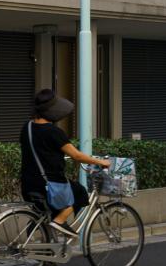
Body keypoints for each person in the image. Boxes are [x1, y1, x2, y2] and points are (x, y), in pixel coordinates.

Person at [20, 89, 111, 239]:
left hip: (28, 183)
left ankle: (48, 254)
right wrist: (101, 162)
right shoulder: (53, 132)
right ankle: (60, 221)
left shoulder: (27, 128)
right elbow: (76, 155)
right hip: (49, 185)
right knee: (79, 192)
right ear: (53, 111)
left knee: (49, 211)